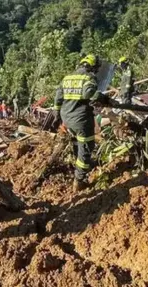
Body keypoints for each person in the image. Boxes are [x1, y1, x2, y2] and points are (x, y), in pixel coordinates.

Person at [53, 54, 108, 192]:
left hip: (67, 118)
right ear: (92, 67)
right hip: (81, 119)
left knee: (78, 142)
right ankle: (79, 180)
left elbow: (58, 98)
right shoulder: (89, 77)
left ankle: (82, 164)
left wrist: (56, 116)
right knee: (87, 145)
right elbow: (88, 93)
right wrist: (101, 97)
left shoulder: (67, 78)